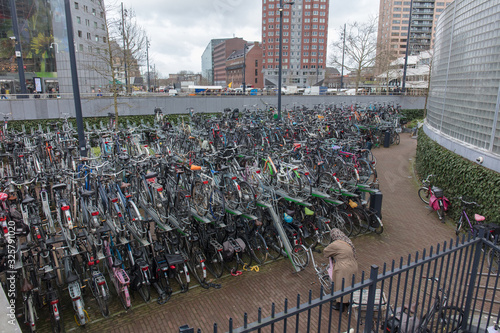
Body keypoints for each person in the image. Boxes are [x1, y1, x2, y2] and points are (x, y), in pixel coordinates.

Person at [323, 228, 358, 312]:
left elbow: (325, 252)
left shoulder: (336, 244)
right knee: (350, 284)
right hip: (353, 265)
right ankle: (348, 302)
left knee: (340, 285)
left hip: (343, 267)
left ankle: (340, 306)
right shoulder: (346, 241)